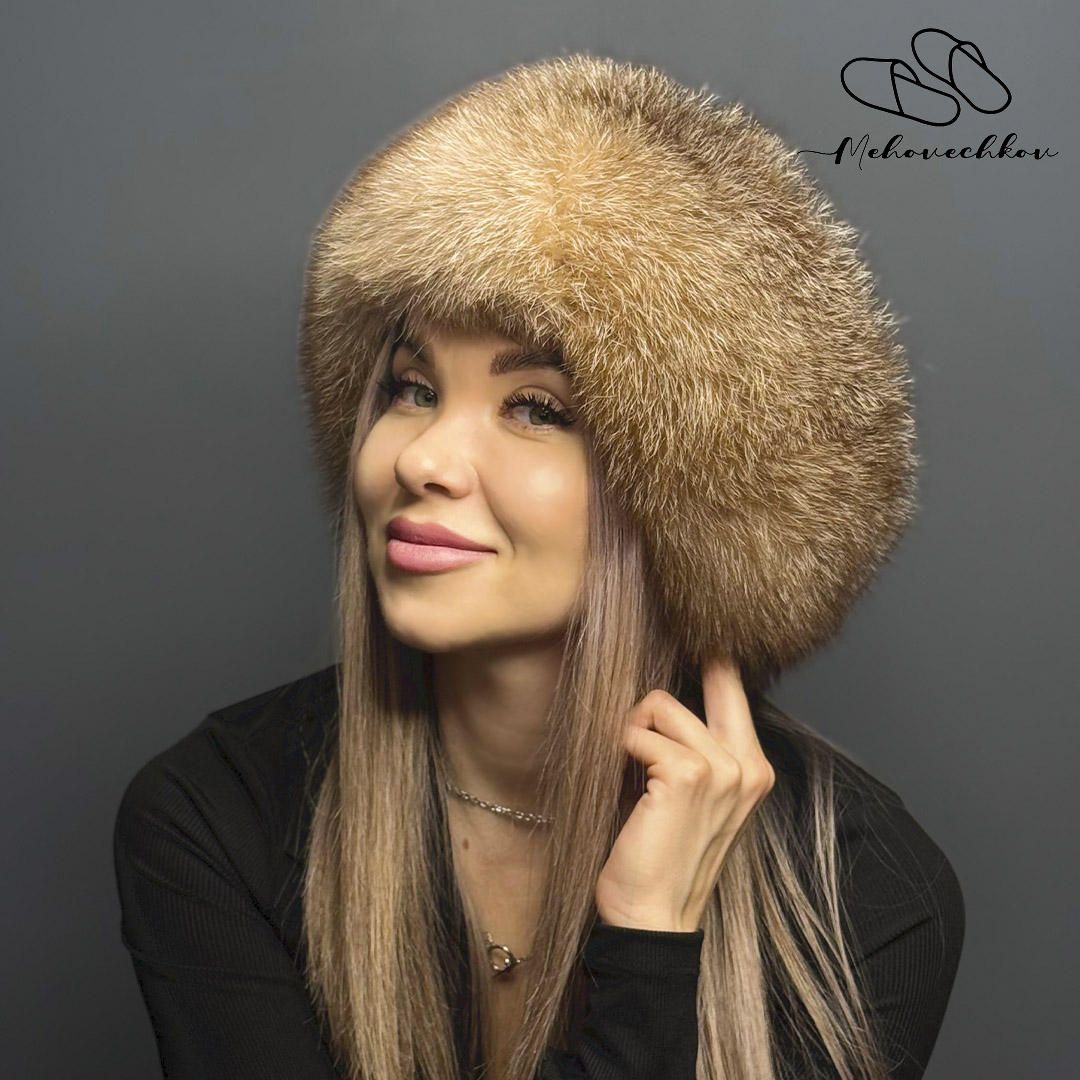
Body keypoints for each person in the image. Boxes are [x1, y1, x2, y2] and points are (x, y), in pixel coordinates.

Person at [113, 54, 965, 1080]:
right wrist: (650, 959)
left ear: (688, 497)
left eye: (535, 408)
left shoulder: (860, 895)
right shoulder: (221, 816)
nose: (422, 460)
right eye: (412, 389)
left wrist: (649, 932)